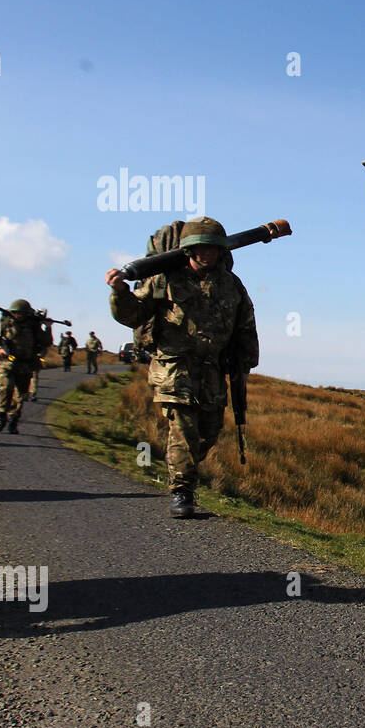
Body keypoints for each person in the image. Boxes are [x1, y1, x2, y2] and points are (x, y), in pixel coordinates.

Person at [105, 217, 258, 519]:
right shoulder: (164, 279)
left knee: (209, 433)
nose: (206, 254)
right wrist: (120, 292)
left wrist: (245, 364)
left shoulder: (231, 284)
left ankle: (180, 467)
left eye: (212, 248)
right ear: (188, 250)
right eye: (199, 248)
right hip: (175, 367)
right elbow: (133, 314)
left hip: (212, 370)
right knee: (184, 428)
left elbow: (246, 325)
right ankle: (182, 491)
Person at [0, 300, 53, 433]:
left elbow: (46, 342)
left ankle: (13, 421)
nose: (18, 315)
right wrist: (0, 350)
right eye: (16, 312)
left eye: (21, 313)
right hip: (7, 364)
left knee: (20, 396)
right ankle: (1, 416)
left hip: (25, 365)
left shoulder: (33, 326)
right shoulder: (4, 324)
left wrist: (48, 328)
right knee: (6, 389)